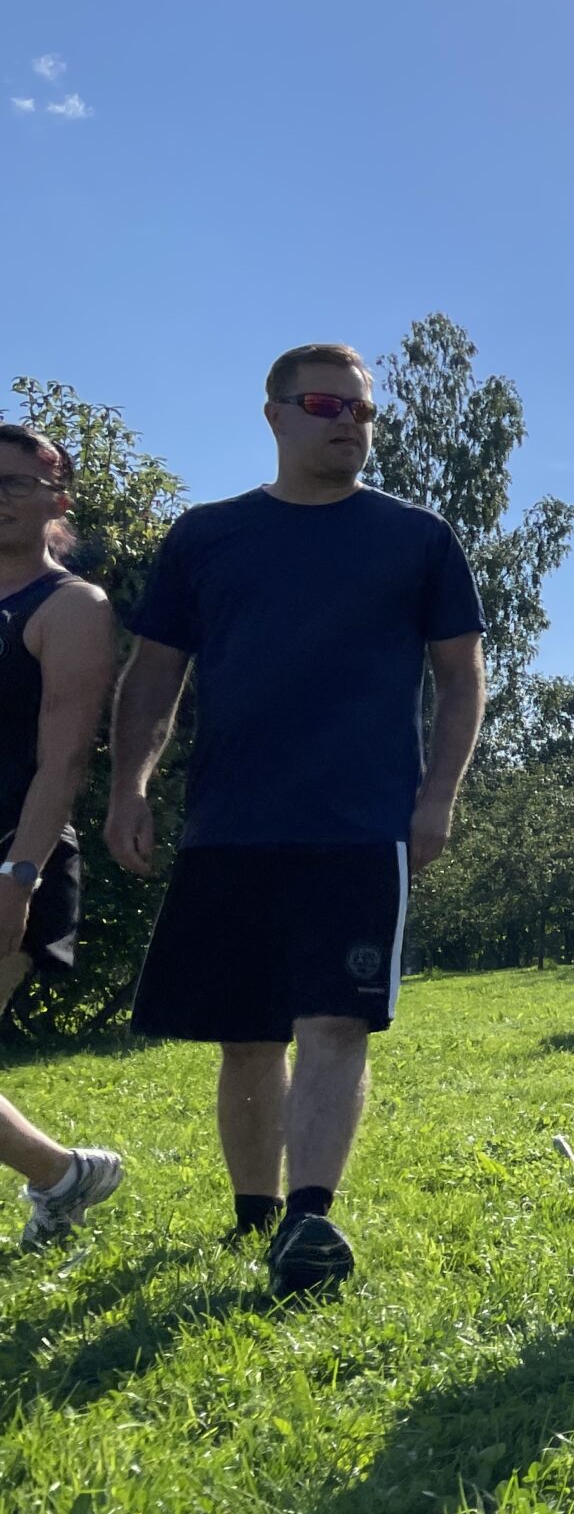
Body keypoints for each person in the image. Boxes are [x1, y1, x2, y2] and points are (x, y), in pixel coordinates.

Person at [108, 345, 485, 1294]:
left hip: (360, 822)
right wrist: (130, 788)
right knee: (246, 1034)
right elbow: (154, 675)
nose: (349, 422)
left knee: (334, 1021)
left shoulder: (417, 538)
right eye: (326, 405)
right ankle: (256, 1214)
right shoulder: (207, 537)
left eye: (362, 410)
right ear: (275, 415)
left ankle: (310, 1218)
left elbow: (461, 677)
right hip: (231, 821)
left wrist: (437, 795)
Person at [0, 425, 123, 1246]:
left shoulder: (70, 607)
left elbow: (65, 758)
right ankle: (63, 1175)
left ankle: (64, 1176)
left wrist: (19, 876)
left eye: (15, 483)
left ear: (57, 501)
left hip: (16, 848)